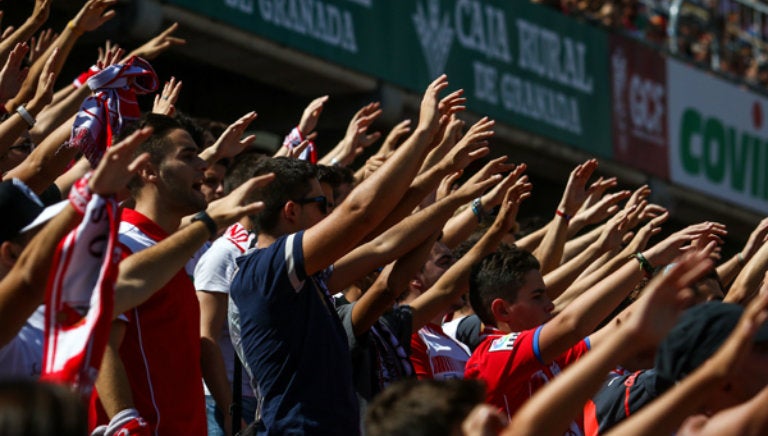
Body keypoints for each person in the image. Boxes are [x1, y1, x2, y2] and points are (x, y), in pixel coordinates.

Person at [230, 75, 456, 434]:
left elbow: (382, 239)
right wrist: (423, 133)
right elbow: (360, 216)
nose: (330, 215)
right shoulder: (264, 269)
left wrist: (446, 180)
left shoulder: (306, 276)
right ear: (290, 211)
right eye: (322, 204)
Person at [90, 114, 273, 435]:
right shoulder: (121, 241)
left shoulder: (179, 246)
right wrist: (124, 422)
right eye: (189, 157)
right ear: (148, 171)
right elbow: (101, 341)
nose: (204, 167)